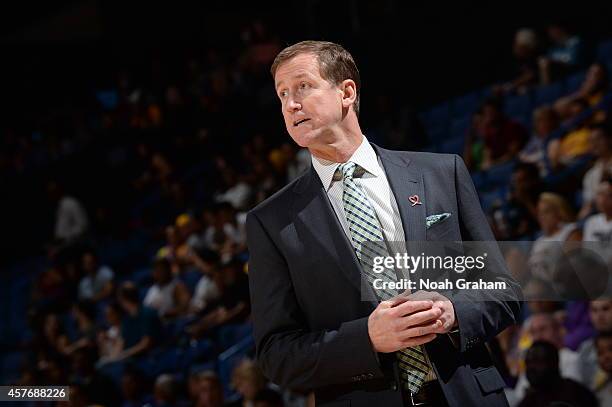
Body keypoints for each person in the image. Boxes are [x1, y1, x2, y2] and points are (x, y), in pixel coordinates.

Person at [247, 40, 522, 407]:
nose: (290, 104)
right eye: (282, 94)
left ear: (347, 91)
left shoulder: (441, 173)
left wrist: (453, 313)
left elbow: (503, 291)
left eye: (302, 87)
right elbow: (276, 355)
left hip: (466, 394)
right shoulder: (270, 221)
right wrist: (367, 339)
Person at [517, 341, 598, 407]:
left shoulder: (577, 394)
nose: (531, 368)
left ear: (554, 363)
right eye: (528, 363)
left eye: (538, 362)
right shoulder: (529, 400)